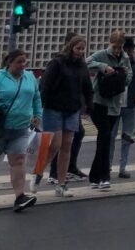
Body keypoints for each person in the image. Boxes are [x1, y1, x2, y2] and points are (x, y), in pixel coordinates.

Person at [0, 48, 41, 211]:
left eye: (24, 61)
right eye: (19, 62)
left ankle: (20, 196)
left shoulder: (29, 77)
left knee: (18, 160)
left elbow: (36, 97)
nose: (22, 65)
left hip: (20, 128)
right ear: (9, 62)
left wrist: (37, 114)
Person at [39, 33, 94, 197]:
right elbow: (45, 85)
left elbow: (87, 87)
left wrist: (89, 106)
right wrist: (39, 107)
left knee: (67, 145)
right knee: (54, 144)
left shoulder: (82, 66)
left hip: (72, 109)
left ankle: (61, 183)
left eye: (83, 49)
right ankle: (38, 173)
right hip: (53, 107)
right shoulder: (57, 63)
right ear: (71, 47)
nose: (80, 52)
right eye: (78, 48)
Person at [86, 28, 132, 190]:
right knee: (105, 136)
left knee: (105, 139)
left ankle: (95, 176)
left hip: (114, 103)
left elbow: (129, 77)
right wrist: (103, 67)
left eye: (120, 48)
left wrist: (123, 75)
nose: (118, 51)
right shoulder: (101, 54)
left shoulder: (125, 58)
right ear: (110, 44)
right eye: (115, 47)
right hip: (99, 101)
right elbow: (87, 62)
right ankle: (104, 176)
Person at [109, 35, 135, 179]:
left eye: (130, 48)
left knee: (127, 137)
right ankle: (108, 167)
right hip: (115, 103)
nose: (130, 51)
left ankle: (122, 167)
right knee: (111, 137)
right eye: (127, 48)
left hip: (129, 104)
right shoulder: (115, 63)